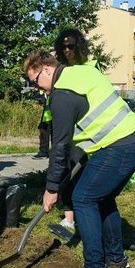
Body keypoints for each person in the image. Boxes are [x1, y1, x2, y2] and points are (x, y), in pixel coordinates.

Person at [24, 49, 135, 268]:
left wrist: (52, 189)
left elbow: (59, 146)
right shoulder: (81, 72)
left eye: (35, 81)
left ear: (47, 69)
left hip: (120, 145)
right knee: (102, 198)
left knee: (83, 198)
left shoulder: (62, 95)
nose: (37, 89)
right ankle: (116, 260)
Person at [48, 28, 97, 236]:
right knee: (66, 171)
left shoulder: (89, 68)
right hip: (64, 129)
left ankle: (87, 223)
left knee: (82, 179)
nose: (67, 51)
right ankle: (69, 218)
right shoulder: (61, 74)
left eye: (71, 46)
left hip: (85, 133)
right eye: (64, 47)